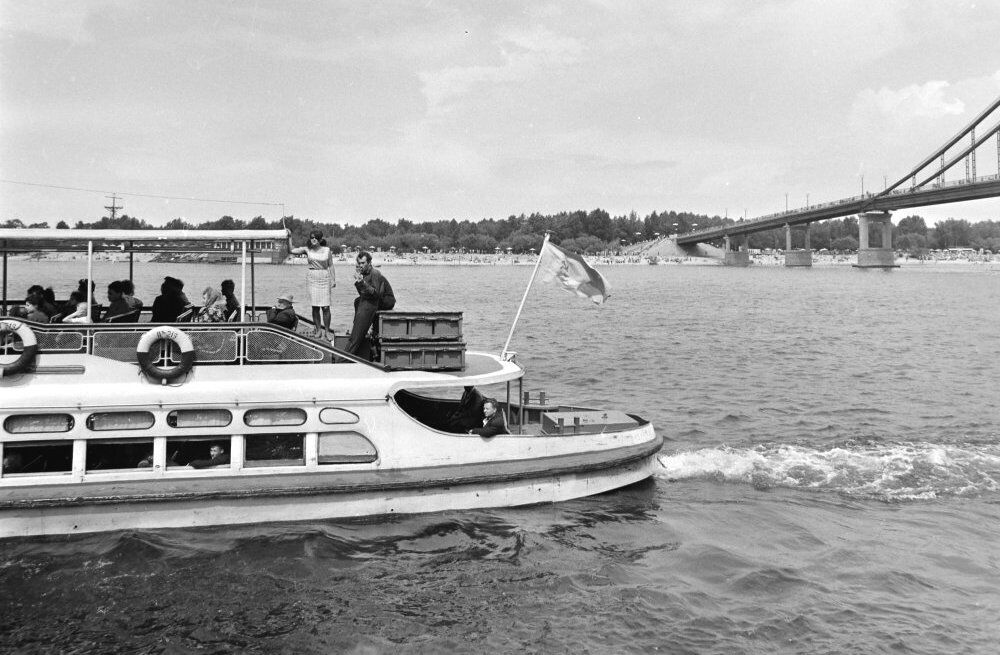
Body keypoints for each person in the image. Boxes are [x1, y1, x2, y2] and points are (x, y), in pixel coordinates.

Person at [286, 229, 336, 340]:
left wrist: (333, 279)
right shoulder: (307, 249)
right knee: (315, 307)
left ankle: (327, 331)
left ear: (320, 239)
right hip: (312, 276)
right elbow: (291, 250)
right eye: (312, 237)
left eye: (316, 237)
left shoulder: (327, 250)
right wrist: (289, 237)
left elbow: (331, 265)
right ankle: (318, 330)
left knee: (326, 307)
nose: (313, 239)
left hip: (324, 276)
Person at [346, 251, 395, 358]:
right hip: (376, 298)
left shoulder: (375, 273)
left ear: (369, 263)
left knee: (364, 303)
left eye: (363, 263)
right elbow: (363, 294)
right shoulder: (363, 274)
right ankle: (358, 325)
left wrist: (362, 283)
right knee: (357, 301)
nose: (360, 265)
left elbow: (376, 294)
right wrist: (359, 282)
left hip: (386, 300)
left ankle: (362, 328)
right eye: (359, 263)